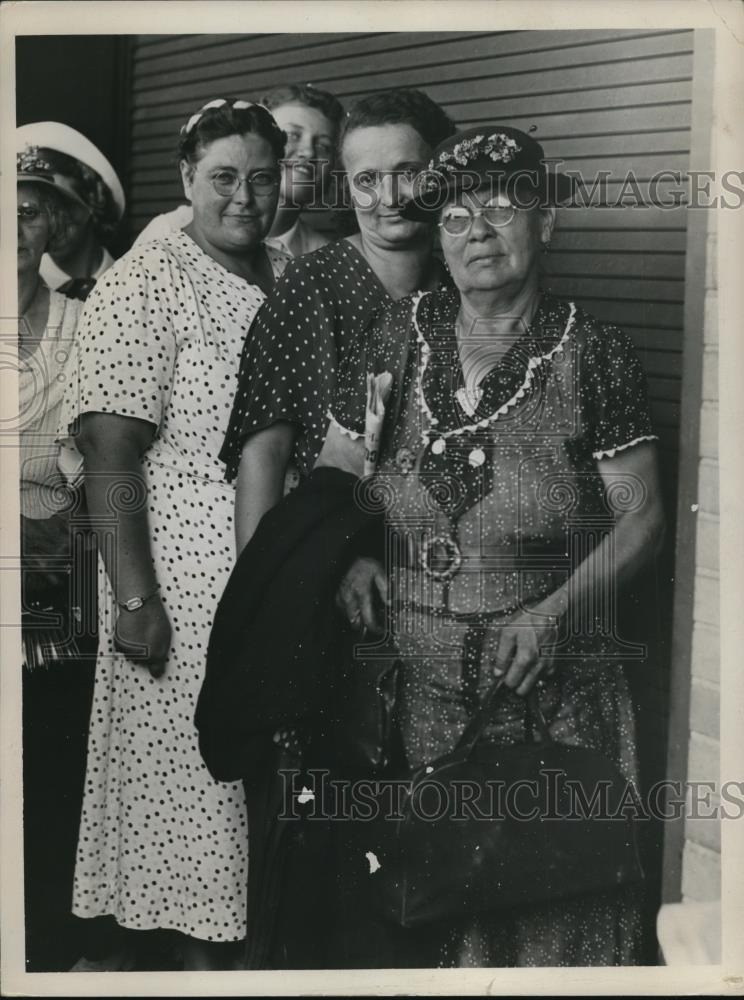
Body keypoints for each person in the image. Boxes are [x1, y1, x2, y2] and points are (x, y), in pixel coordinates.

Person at [315, 125, 666, 966]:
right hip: (421, 696)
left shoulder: (596, 350)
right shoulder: (395, 335)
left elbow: (645, 517)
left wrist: (553, 612)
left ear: (547, 222)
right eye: (456, 215)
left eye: (504, 206)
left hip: (548, 694)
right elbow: (336, 471)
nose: (479, 229)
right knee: (435, 912)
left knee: (549, 918)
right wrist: (357, 554)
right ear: (436, 238)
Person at [57, 97, 290, 971]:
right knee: (199, 797)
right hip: (180, 581)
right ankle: (198, 973)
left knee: (251, 791)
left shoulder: (288, 272)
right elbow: (109, 453)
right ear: (187, 178)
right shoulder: (147, 279)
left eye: (263, 178)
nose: (244, 196)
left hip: (268, 562)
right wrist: (135, 599)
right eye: (224, 177)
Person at [220, 87, 456, 553]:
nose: (387, 196)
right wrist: (263, 583)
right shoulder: (311, 283)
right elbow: (264, 454)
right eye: (366, 179)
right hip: (330, 550)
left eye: (407, 173)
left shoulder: (459, 282)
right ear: (346, 186)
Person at [16, 143, 96, 972]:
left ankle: (44, 945)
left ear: (58, 223)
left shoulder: (86, 323)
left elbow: (100, 464)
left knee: (46, 765)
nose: (12, 221)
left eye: (31, 207)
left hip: (49, 591)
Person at [134, 83, 344, 258]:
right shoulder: (170, 231)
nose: (308, 151)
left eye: (323, 146)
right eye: (292, 135)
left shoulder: (324, 256)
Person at [16, 121, 125, 300]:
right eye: (32, 211)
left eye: (54, 202)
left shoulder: (131, 281)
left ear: (92, 198)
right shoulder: (14, 291)